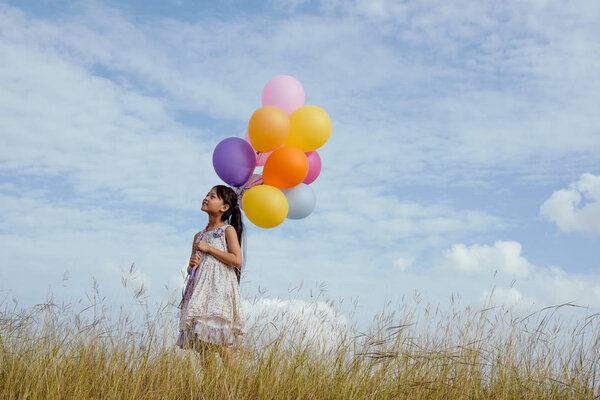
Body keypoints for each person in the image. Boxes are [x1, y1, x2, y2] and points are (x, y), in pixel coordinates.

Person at [176, 185, 245, 368]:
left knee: (222, 344)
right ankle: (212, 390)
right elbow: (193, 271)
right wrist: (191, 264)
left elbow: (237, 260)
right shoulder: (199, 236)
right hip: (200, 293)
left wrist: (210, 249)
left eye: (212, 196)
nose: (206, 198)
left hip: (218, 294)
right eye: (207, 194)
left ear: (224, 207)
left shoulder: (227, 230)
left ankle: (242, 388)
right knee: (202, 346)